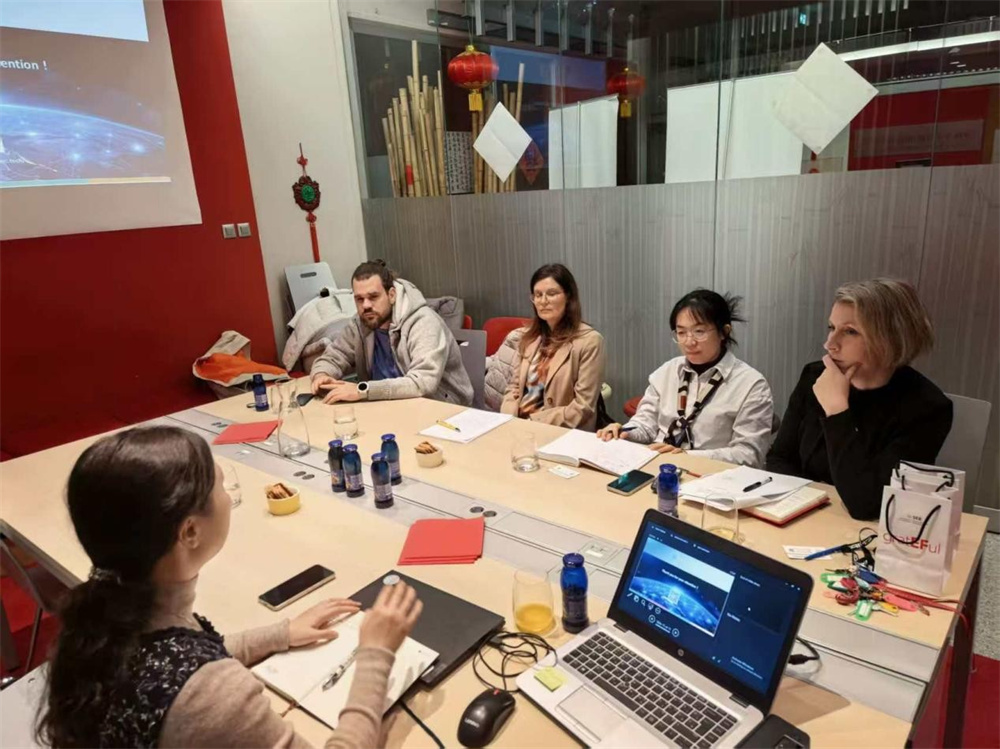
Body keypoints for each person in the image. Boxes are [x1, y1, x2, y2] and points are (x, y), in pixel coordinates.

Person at [38, 426, 423, 748]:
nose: (229, 496)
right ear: (190, 531)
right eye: (221, 487)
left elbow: (178, 663)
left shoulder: (101, 622)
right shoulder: (211, 696)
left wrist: (279, 634)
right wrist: (375, 654)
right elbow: (198, 687)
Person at [766, 278, 952, 520]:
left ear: (890, 338)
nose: (830, 344)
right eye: (831, 328)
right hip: (807, 514)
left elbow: (868, 504)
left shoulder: (927, 408)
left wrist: (837, 411)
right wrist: (809, 504)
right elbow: (779, 457)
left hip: (872, 529)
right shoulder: (815, 376)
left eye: (850, 331)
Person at [598, 290, 773, 467]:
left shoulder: (751, 385)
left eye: (699, 331)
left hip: (712, 475)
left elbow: (749, 455)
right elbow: (646, 424)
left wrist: (686, 457)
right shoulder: (667, 372)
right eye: (681, 333)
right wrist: (625, 432)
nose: (689, 342)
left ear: (724, 332)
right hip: (659, 467)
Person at [310, 260, 473, 406]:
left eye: (373, 297)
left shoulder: (424, 322)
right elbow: (334, 356)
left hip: (441, 408)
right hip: (388, 406)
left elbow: (423, 382)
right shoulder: (360, 324)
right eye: (359, 299)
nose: (366, 305)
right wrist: (321, 374)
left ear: (392, 295)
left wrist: (363, 390)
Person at [500, 264, 606, 431]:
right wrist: (509, 419)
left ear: (568, 296)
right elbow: (513, 388)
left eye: (551, 294)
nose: (543, 301)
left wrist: (531, 423)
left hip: (560, 432)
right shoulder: (529, 337)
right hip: (518, 427)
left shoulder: (590, 341)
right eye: (538, 295)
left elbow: (583, 407)